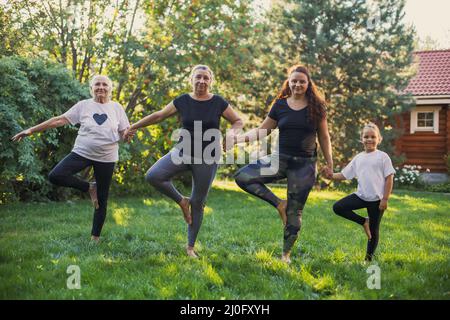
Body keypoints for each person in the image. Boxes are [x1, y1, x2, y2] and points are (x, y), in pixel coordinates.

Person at [124, 65, 243, 258]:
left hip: (207, 157)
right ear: (191, 79)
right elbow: (159, 115)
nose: (202, 81)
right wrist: (133, 126)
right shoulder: (183, 100)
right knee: (154, 175)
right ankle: (181, 201)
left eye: (206, 78)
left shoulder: (218, 102)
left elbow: (237, 121)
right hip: (182, 151)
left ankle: (190, 247)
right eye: (198, 77)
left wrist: (231, 135)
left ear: (210, 81)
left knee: (199, 202)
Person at [232, 65, 333, 264]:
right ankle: (279, 204)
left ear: (308, 84)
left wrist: (330, 163)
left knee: (295, 213)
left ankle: (285, 254)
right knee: (243, 177)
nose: (297, 84)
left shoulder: (317, 106)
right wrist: (238, 140)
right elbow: (262, 131)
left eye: (302, 81)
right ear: (289, 82)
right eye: (294, 81)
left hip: (304, 165)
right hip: (279, 159)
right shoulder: (280, 105)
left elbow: (324, 136)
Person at [11, 75, 130, 243]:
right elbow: (59, 120)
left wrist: (127, 135)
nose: (101, 87)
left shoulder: (117, 108)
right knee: (55, 175)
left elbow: (124, 133)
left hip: (107, 157)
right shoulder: (84, 106)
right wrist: (31, 130)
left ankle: (94, 239)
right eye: (97, 84)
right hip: (82, 152)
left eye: (105, 85)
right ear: (91, 88)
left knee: (102, 200)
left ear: (110, 89)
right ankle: (89, 187)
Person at [323, 123, 395, 261]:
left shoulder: (383, 157)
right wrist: (331, 176)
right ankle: (363, 221)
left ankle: (368, 259)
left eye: (373, 137)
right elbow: (345, 175)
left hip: (377, 200)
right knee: (338, 207)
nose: (369, 139)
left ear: (379, 139)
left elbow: (389, 178)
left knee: (373, 232)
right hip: (361, 196)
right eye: (366, 136)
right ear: (361, 139)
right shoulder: (359, 158)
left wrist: (385, 199)